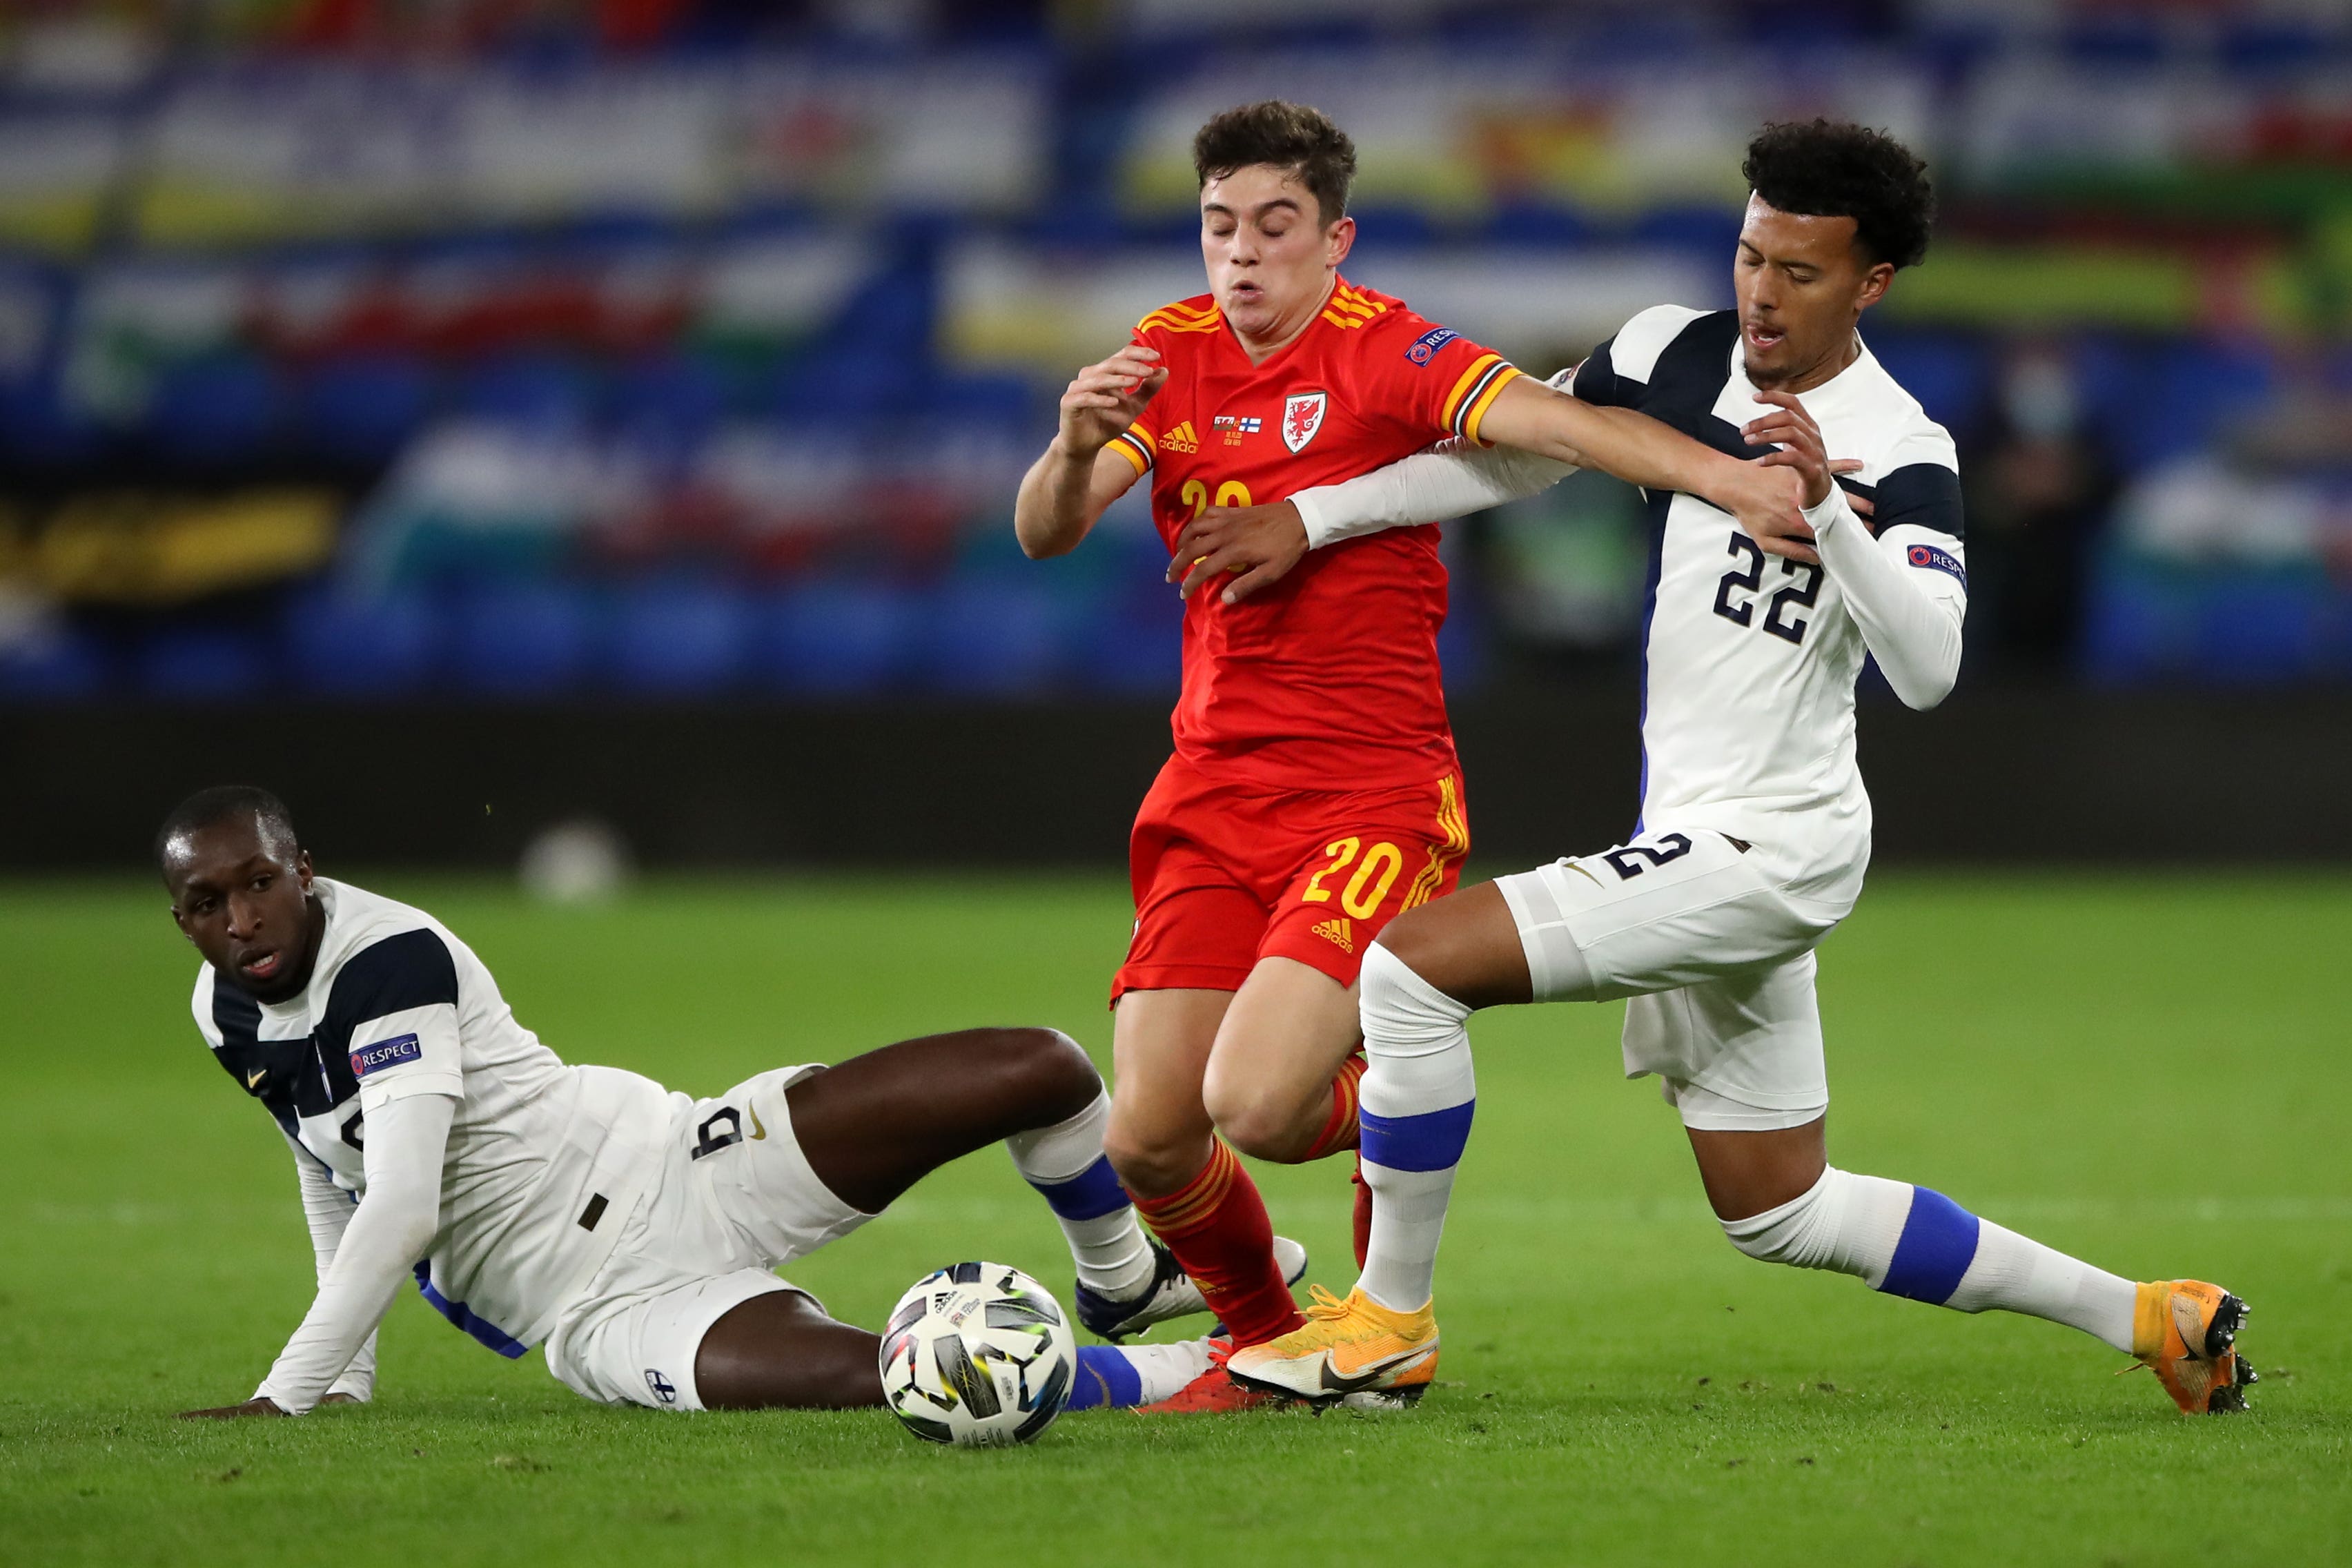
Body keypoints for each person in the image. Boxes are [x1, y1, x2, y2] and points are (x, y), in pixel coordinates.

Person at [1220, 120, 2253, 1416]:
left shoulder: (1904, 446)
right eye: (1752, 254)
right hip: (1703, 830)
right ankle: (2156, 1317)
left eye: (1801, 272)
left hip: (1776, 843)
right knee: (1781, 1209)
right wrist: (1311, 516)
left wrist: (1826, 508)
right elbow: (1515, 455)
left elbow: (1930, 668)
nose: (1763, 292)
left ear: (1870, 283)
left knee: (1407, 970)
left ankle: (1389, 1324)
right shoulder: (1668, 348)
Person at [1012, 101, 1807, 1406]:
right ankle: (1263, 1342)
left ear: (1336, 240)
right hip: (1210, 795)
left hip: (1369, 797)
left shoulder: (1387, 351)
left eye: (1276, 226)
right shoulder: (1170, 353)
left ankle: (1398, 1074)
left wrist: (1729, 482)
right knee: (1150, 1138)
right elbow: (1049, 530)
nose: (1243, 255)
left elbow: (1560, 429)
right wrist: (1073, 445)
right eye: (1220, 227)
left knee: (1259, 1108)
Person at [163, 785, 1222, 1420]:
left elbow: (402, 1208)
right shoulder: (225, 1012)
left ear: (304, 869)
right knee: (916, 1379)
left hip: (679, 1161)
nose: (242, 919)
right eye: (208, 905)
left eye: (259, 883)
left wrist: (288, 1391)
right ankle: (1194, 1371)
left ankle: (1122, 1280)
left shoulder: (385, 960)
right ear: (183, 922)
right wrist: (342, 1379)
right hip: (604, 1313)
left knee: (1040, 1067)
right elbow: (327, 1164)